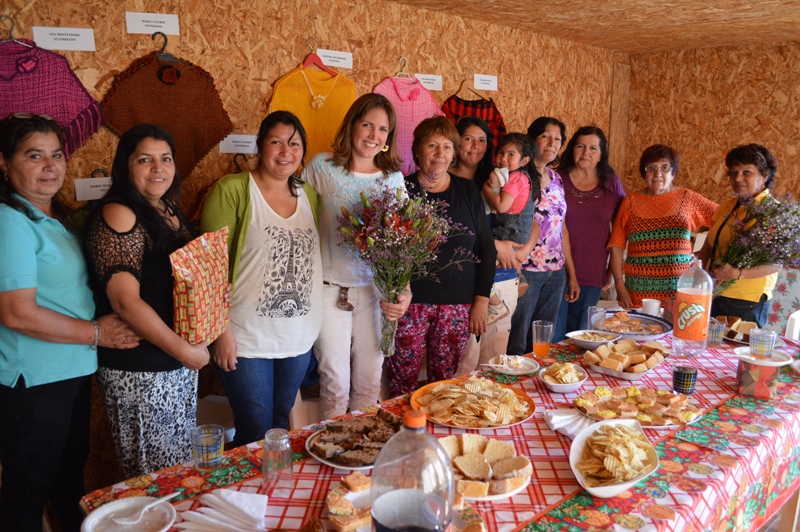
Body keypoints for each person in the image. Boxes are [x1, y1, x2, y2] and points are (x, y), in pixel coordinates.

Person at [0, 114, 136, 531]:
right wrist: (98, 332)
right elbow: (16, 312)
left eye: (56, 155)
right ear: (4, 164)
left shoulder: (54, 218)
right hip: (33, 383)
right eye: (34, 155)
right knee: (28, 491)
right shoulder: (10, 221)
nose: (50, 166)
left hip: (69, 373)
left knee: (66, 480)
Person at [84, 124, 211, 478]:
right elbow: (125, 302)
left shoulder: (167, 208)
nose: (159, 168)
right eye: (145, 159)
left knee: (176, 470)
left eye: (166, 159)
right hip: (141, 369)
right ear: (126, 166)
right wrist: (184, 352)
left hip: (173, 361)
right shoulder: (119, 213)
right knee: (153, 480)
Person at [200, 111, 322, 447]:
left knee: (279, 425)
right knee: (253, 427)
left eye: (294, 143)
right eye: (276, 142)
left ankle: (270, 496)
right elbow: (209, 268)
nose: (286, 151)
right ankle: (242, 498)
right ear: (260, 146)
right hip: (245, 337)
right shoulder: (234, 190)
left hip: (297, 336)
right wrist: (221, 333)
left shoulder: (308, 194)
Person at [301, 94, 410, 418]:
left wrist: (404, 290)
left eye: (382, 129)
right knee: (334, 385)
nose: (373, 135)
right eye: (367, 125)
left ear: (389, 138)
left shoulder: (392, 180)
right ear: (352, 126)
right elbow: (296, 220)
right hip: (328, 289)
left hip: (375, 295)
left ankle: (358, 456)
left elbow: (403, 243)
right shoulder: (322, 167)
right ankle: (330, 458)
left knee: (368, 385)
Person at [386, 116, 497, 397]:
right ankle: (403, 437)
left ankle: (436, 438)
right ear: (417, 151)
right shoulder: (401, 190)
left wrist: (481, 301)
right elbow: (387, 252)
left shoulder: (468, 192)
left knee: (444, 385)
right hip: (409, 306)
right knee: (402, 383)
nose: (440, 154)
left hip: (457, 306)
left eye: (447, 147)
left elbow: (486, 247)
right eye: (432, 145)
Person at [609, 144, 717, 309]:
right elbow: (616, 246)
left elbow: (724, 220)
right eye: (651, 168)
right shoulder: (630, 202)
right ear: (644, 173)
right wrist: (619, 286)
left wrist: (705, 252)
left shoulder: (686, 198)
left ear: (673, 172)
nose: (658, 174)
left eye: (664, 168)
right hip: (638, 292)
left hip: (678, 291)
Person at [506, 117, 580, 356]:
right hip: (526, 269)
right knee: (517, 339)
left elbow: (563, 228)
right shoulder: (518, 177)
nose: (552, 142)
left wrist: (571, 274)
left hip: (555, 274)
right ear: (533, 140)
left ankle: (535, 387)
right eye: (546, 136)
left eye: (558, 138)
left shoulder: (556, 178)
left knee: (541, 342)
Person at [554, 126, 625, 340]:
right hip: (556, 272)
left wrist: (612, 272)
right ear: (572, 149)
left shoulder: (612, 185)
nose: (586, 152)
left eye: (593, 148)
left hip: (593, 273)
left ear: (601, 154)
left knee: (582, 339)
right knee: (554, 339)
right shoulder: (556, 179)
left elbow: (621, 231)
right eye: (581, 146)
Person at [698, 144, 781, 326]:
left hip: (746, 303)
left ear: (764, 176)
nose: (738, 178)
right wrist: (699, 275)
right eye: (733, 172)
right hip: (712, 295)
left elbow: (775, 264)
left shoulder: (772, 212)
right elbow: (708, 246)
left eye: (747, 172)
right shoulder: (727, 206)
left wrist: (737, 273)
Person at [482, 133, 541, 318]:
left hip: (510, 232)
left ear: (524, 160)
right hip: (514, 231)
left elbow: (501, 205)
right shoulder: (518, 176)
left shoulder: (516, 178)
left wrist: (485, 188)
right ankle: (520, 276)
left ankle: (495, 305)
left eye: (510, 154)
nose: (503, 159)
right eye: (500, 152)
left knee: (482, 263)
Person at [451, 116, 493, 191]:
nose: (475, 145)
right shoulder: (442, 175)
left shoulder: (493, 177)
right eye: (469, 139)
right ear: (457, 141)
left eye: (481, 140)